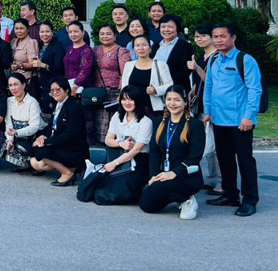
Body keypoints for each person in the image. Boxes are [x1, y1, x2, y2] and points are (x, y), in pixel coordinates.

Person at [204, 23, 262, 217]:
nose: (219, 40)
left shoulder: (245, 60)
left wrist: (249, 116)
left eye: (223, 36)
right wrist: (208, 111)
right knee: (225, 160)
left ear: (233, 38)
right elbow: (209, 87)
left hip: (240, 121)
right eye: (216, 36)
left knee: (245, 161)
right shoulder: (213, 60)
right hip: (219, 120)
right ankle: (230, 195)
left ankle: (250, 200)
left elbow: (255, 90)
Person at [140, 85, 205, 220]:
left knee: (160, 188)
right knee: (147, 205)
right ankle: (173, 196)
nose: (172, 103)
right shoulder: (159, 122)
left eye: (177, 100)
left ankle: (187, 199)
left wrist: (173, 173)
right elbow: (155, 152)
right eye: (169, 99)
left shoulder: (195, 125)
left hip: (186, 176)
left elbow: (195, 157)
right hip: (164, 174)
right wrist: (153, 176)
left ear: (185, 102)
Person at [80, 86, 153, 206]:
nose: (127, 103)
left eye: (131, 99)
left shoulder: (145, 122)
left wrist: (115, 164)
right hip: (118, 155)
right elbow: (108, 140)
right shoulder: (117, 116)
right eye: (124, 99)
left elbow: (136, 150)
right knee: (89, 189)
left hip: (138, 162)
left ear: (138, 101)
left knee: (106, 195)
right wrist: (120, 143)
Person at [31, 76, 88, 186]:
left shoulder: (73, 107)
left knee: (41, 152)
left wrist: (47, 143)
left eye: (58, 90)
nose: (55, 93)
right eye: (52, 90)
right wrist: (42, 137)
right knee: (35, 161)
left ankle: (67, 173)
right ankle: (71, 168)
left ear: (66, 90)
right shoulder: (57, 105)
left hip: (74, 148)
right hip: (61, 144)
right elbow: (52, 127)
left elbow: (71, 134)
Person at [187, 24, 222, 195]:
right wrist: (193, 89)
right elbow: (200, 82)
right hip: (200, 106)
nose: (199, 39)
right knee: (205, 146)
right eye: (196, 36)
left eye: (203, 36)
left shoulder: (217, 57)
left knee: (212, 147)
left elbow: (213, 82)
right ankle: (211, 179)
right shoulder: (202, 57)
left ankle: (222, 182)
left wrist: (197, 69)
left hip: (214, 108)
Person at [91, 24, 132, 144]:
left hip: (115, 92)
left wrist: (122, 93)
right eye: (102, 34)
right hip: (98, 93)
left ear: (115, 36)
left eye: (109, 34)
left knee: (112, 123)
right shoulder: (95, 50)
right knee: (97, 123)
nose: (105, 36)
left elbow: (125, 73)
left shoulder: (121, 51)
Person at [1, 72, 45, 170]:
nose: (13, 88)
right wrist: (10, 139)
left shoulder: (32, 102)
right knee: (5, 147)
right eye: (10, 85)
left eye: (16, 84)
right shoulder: (9, 101)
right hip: (18, 136)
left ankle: (32, 163)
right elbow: (8, 123)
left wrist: (17, 132)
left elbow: (34, 127)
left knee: (35, 150)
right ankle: (26, 163)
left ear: (24, 85)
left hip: (34, 136)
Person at [122, 35, 173, 118]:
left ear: (150, 48)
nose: (141, 48)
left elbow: (170, 85)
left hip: (153, 110)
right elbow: (124, 87)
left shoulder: (160, 65)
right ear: (134, 49)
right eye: (137, 46)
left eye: (144, 45)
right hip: (133, 109)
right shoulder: (128, 65)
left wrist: (156, 90)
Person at [30, 21, 64, 114]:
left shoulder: (57, 47)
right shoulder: (41, 46)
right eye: (42, 32)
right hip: (40, 85)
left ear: (52, 32)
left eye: (47, 31)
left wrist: (43, 65)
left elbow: (59, 69)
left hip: (52, 86)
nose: (44, 34)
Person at [153, 14, 194, 91]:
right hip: (156, 90)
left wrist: (166, 85)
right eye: (163, 27)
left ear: (177, 28)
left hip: (176, 90)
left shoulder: (185, 46)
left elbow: (185, 72)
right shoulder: (155, 46)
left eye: (170, 27)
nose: (166, 30)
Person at [63, 21, 93, 98]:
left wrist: (75, 86)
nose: (73, 34)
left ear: (83, 33)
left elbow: (85, 70)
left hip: (80, 88)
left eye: (76, 31)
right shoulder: (69, 48)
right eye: (70, 32)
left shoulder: (86, 50)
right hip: (68, 85)